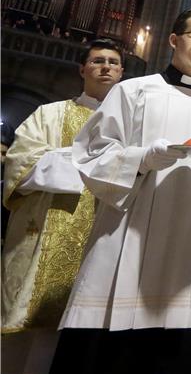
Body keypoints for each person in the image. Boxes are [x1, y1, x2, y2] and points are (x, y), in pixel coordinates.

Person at [50, 8, 191, 374]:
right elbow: (92, 154)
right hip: (128, 234)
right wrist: (142, 158)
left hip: (188, 243)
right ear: (174, 40)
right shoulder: (133, 91)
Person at [1, 39, 124, 374]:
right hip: (43, 236)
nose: (106, 67)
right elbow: (21, 163)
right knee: (24, 341)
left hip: (102, 241)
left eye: (113, 62)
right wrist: (95, 165)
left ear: (122, 73)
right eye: (98, 61)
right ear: (82, 69)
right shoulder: (49, 113)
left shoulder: (128, 130)